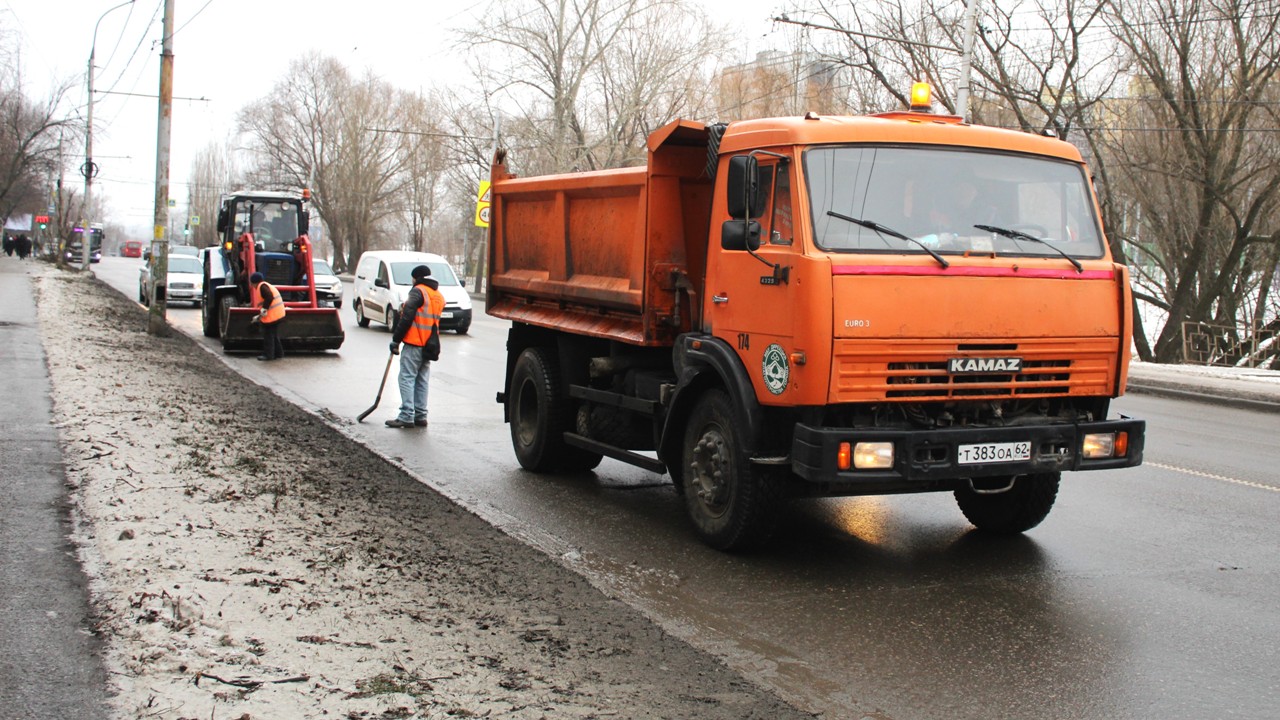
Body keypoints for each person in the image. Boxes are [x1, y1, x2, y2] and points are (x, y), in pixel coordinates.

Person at [385, 264, 445, 428]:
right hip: (429, 346)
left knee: (406, 378)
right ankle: (420, 415)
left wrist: (396, 340)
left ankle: (406, 415)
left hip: (414, 343)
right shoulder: (438, 295)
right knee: (422, 380)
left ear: (417, 278)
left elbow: (407, 317)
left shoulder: (418, 291)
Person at [249, 272, 286, 361]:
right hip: (279, 314)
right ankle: (279, 353)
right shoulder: (267, 285)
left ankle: (268, 355)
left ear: (254, 283)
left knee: (268, 336)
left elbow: (269, 297)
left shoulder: (262, 287)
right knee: (274, 335)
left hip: (272, 316)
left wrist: (264, 309)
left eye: (252, 284)